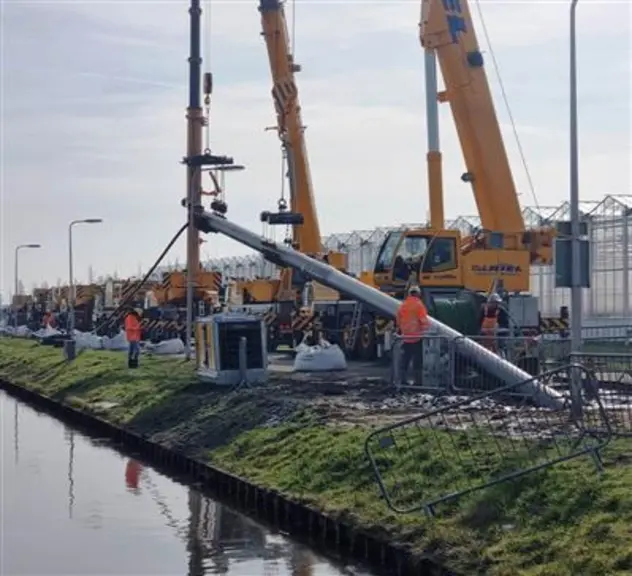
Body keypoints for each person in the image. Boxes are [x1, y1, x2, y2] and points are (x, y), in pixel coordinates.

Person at [395, 285, 430, 386]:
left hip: (406, 337)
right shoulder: (419, 305)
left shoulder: (403, 305)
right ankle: (418, 382)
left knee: (405, 360)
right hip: (417, 337)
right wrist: (426, 331)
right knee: (417, 361)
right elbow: (423, 320)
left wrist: (402, 330)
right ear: (418, 294)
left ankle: (402, 381)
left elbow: (398, 320)